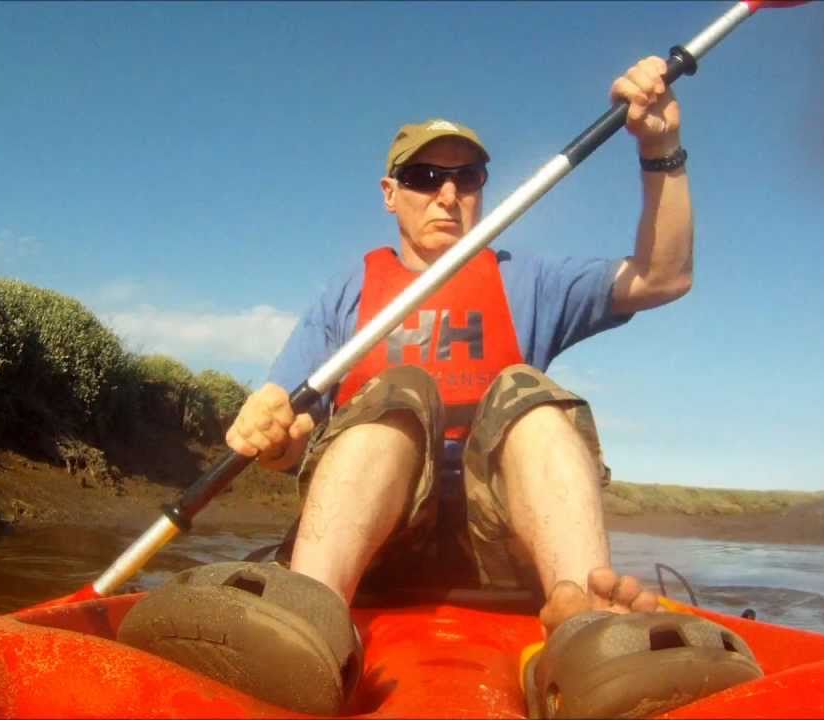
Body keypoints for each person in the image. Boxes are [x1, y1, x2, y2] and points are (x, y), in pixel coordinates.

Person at [226, 54, 689, 637]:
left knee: (531, 399)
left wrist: (660, 148)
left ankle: (587, 624)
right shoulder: (344, 296)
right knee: (396, 394)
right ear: (390, 193)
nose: (447, 194)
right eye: (424, 179)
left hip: (498, 551)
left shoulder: (529, 282)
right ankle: (306, 623)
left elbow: (663, 277)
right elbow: (287, 444)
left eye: (466, 178)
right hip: (376, 550)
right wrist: (269, 438)